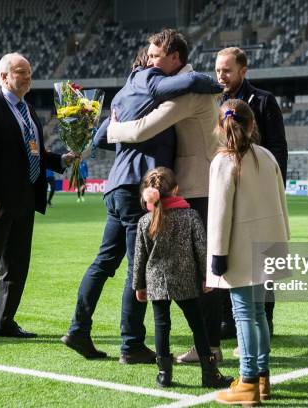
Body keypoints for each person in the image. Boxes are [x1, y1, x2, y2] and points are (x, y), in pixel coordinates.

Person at [62, 46, 222, 363]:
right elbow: (193, 84)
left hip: (116, 186)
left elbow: (98, 139)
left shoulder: (123, 96)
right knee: (138, 271)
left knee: (104, 262)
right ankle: (132, 344)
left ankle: (78, 328)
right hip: (139, 187)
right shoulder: (156, 93)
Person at [107, 29, 226, 361]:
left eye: (157, 56)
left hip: (199, 187)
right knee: (197, 268)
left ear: (176, 58)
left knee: (203, 270)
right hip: (195, 186)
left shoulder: (188, 93)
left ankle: (211, 347)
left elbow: (144, 128)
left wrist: (111, 128)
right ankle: (207, 344)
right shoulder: (183, 85)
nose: (150, 61)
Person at [0, 53, 76, 344]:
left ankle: (4, 322)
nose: (27, 77)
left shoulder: (29, 111)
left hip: (25, 200)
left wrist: (62, 160)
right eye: (21, 72)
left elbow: (35, 154)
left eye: (29, 72)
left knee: (17, 264)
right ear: (4, 77)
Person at [207, 99, 289, 405]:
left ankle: (249, 382)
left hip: (239, 248)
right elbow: (282, 204)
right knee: (257, 314)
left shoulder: (222, 162)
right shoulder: (267, 156)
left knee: (245, 316)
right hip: (270, 244)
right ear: (252, 125)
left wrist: (217, 254)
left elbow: (219, 213)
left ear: (219, 126)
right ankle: (261, 378)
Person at [214, 46, 288, 343]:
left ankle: (265, 319)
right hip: (227, 188)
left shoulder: (264, 101)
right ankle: (228, 320)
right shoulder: (211, 101)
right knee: (227, 253)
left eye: (227, 70)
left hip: (258, 194)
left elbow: (278, 148)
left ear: (243, 70)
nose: (221, 75)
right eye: (218, 70)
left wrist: (272, 185)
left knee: (264, 256)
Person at [133, 167, 233, 388]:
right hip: (186, 281)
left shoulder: (144, 221)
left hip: (157, 282)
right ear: (176, 189)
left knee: (161, 326)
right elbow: (202, 249)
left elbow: (139, 258)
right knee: (198, 326)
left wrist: (138, 286)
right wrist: (209, 277)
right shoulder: (190, 216)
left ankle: (164, 374)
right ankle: (209, 373)